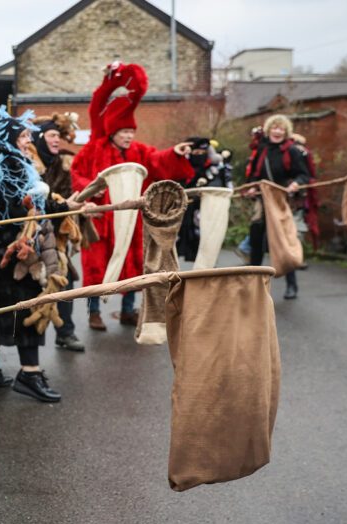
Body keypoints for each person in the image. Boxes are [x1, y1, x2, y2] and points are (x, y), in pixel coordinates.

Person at [0, 107, 82, 403]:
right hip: (14, 250)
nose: (26, 140)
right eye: (22, 136)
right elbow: (22, 208)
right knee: (25, 308)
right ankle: (30, 374)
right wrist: (61, 207)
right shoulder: (11, 164)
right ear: (8, 137)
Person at [71, 62, 193, 331]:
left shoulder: (140, 150)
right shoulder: (94, 149)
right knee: (97, 268)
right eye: (124, 132)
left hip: (130, 220)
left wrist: (176, 152)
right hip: (101, 219)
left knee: (133, 264)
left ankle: (128, 310)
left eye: (131, 132)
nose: (128, 136)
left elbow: (158, 162)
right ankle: (94, 312)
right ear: (113, 132)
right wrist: (91, 190)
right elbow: (77, 172)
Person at [28, 112, 87, 352]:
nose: (56, 140)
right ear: (40, 137)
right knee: (30, 284)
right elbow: (36, 201)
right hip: (30, 236)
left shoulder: (62, 164)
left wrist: (76, 207)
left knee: (66, 279)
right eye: (52, 135)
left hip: (56, 237)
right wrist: (62, 204)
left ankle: (65, 333)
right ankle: (25, 347)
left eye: (58, 136)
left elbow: (67, 195)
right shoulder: (28, 164)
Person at [242, 113, 311, 300]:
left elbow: (304, 175)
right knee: (256, 239)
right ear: (269, 130)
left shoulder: (293, 151)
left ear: (286, 132)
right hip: (263, 200)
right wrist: (251, 188)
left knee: (283, 241)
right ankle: (254, 285)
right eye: (274, 127)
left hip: (282, 202)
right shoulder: (261, 150)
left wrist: (296, 183)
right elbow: (254, 176)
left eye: (281, 128)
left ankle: (291, 286)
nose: (277, 131)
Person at [176, 137, 233, 262]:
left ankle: (208, 263)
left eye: (202, 153)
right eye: (196, 153)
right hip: (189, 206)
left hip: (209, 206)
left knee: (208, 236)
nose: (199, 156)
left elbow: (224, 183)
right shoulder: (182, 166)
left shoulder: (215, 167)